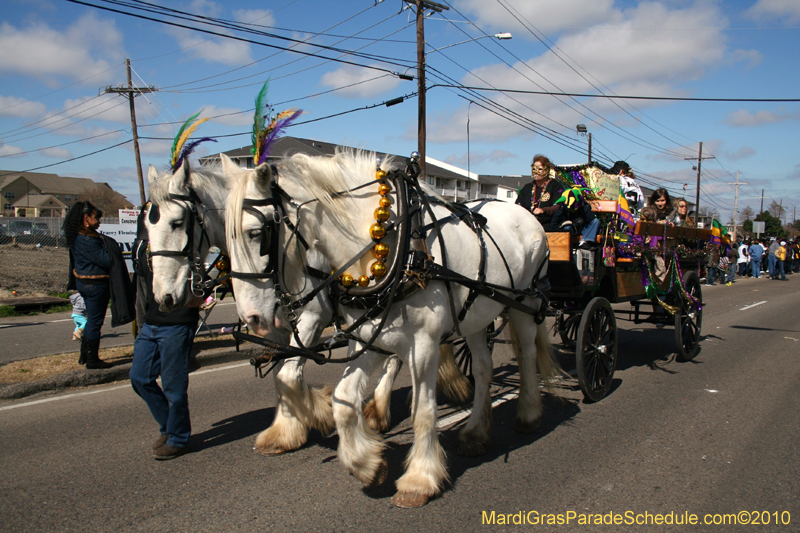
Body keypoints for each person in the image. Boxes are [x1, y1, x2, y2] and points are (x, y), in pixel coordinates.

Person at [130, 207, 200, 461]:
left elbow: (204, 282)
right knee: (139, 378)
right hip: (151, 322)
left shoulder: (183, 244)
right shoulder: (147, 249)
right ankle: (170, 426)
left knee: (174, 386)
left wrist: (198, 295)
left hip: (177, 324)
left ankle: (179, 438)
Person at [63, 201, 113, 369]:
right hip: (95, 285)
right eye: (96, 218)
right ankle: (92, 359)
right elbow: (106, 260)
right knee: (94, 322)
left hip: (84, 283)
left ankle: (86, 354)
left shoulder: (78, 236)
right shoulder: (88, 240)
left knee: (92, 320)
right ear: (86, 218)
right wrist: (111, 250)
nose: (99, 221)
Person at [516, 154, 565, 230]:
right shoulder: (527, 188)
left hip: (548, 225)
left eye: (540, 169)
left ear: (547, 170)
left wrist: (543, 210)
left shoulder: (555, 186)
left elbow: (558, 206)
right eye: (534, 169)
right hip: (527, 225)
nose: (536, 172)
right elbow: (517, 206)